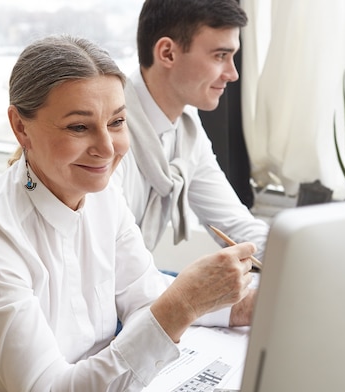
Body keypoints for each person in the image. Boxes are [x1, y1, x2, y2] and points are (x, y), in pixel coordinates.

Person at [0, 34, 257, 392]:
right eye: (79, 127)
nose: (107, 148)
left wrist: (235, 306)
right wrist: (183, 304)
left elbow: (145, 299)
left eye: (118, 122)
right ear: (21, 128)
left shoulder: (103, 196)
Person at [113, 0, 270, 260]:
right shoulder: (107, 132)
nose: (232, 74)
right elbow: (112, 270)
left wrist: (301, 259)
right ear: (167, 53)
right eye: (220, 56)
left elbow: (235, 224)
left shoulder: (186, 126)